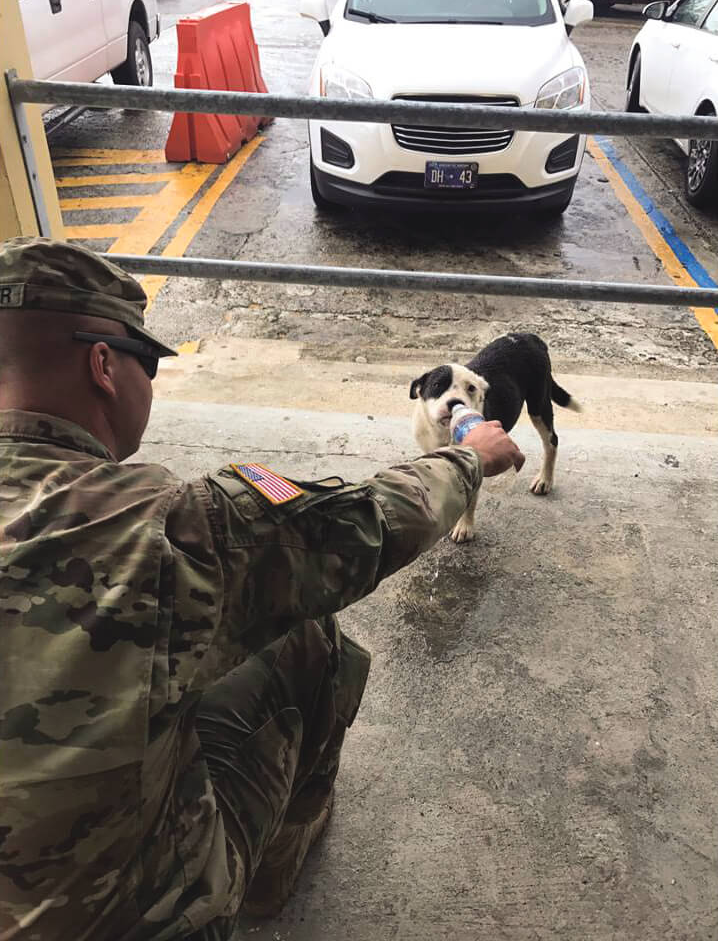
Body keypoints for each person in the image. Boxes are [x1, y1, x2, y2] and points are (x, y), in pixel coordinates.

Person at [0, 238, 525, 941]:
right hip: (126, 921)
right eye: (146, 360)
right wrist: (468, 457)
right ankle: (273, 866)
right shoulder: (169, 527)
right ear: (103, 365)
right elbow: (364, 523)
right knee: (304, 634)